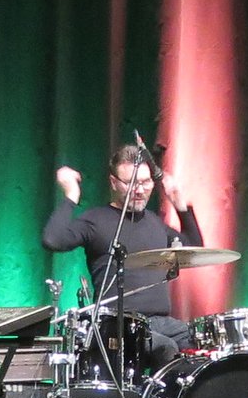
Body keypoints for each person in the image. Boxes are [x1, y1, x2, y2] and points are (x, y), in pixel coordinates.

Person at [42, 144, 204, 370]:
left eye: (146, 182)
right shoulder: (96, 220)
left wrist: (180, 205)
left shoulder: (155, 223)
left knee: (203, 342)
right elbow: (53, 239)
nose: (139, 190)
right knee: (165, 347)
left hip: (160, 322)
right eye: (131, 183)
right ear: (113, 182)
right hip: (119, 325)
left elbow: (194, 249)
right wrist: (71, 196)